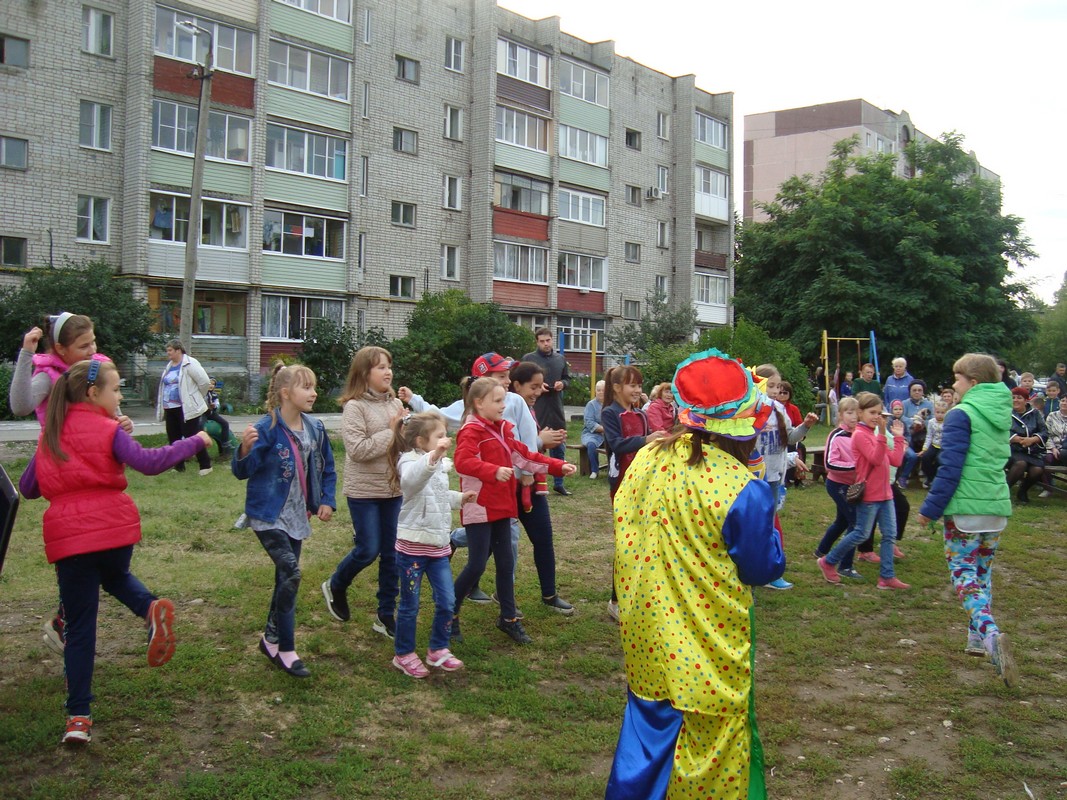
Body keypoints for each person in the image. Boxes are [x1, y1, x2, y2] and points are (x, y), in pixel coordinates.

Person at [606, 348, 784, 800]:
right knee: (712, 737)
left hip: (647, 627)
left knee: (648, 724)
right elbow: (762, 567)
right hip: (708, 639)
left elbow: (626, 520)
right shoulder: (743, 488)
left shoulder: (647, 459)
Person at [18, 359, 211, 744]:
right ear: (93, 393)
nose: (120, 396)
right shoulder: (109, 431)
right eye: (116, 389)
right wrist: (196, 440)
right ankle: (148, 608)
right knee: (116, 576)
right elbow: (149, 463)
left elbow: (27, 487)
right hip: (114, 533)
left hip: (71, 541)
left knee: (80, 630)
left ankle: (78, 717)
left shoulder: (50, 436)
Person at [9, 312, 132, 655]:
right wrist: (26, 354)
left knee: (96, 542)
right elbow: (19, 405)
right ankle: (69, 618)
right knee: (75, 541)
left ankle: (65, 619)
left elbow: (110, 410)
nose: (92, 349)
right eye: (83, 346)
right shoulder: (50, 376)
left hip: (90, 461)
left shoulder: (96, 372)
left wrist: (122, 422)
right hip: (61, 459)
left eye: (93, 341)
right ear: (60, 349)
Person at [399, 353, 561, 606]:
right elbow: (439, 419)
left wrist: (537, 470)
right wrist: (414, 401)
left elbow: (524, 444)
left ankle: (533, 601)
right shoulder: (468, 418)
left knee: (526, 542)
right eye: (501, 377)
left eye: (508, 376)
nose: (507, 382)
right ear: (481, 386)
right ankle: (467, 603)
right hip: (487, 494)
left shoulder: (514, 403)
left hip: (519, 484)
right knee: (491, 549)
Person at [917, 354, 1017, 686]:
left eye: (957, 379)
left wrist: (929, 509)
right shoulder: (1001, 412)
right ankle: (976, 639)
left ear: (973, 382)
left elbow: (950, 467)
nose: (952, 385)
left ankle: (990, 636)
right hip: (995, 508)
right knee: (983, 574)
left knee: (964, 575)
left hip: (965, 511)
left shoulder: (962, 414)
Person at [451, 377, 575, 645]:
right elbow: (462, 462)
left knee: (506, 564)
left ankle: (508, 619)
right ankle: (449, 612)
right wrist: (493, 471)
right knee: (475, 565)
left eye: (504, 400)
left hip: (502, 506)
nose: (503, 406)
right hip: (480, 507)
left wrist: (556, 466)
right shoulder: (471, 431)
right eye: (497, 401)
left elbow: (524, 456)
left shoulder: (503, 429)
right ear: (478, 403)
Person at [233, 364, 336, 679]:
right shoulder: (266, 428)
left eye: (314, 386)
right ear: (285, 393)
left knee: (284, 580)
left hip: (297, 515)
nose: (314, 393)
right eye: (306, 387)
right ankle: (288, 650)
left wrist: (326, 501)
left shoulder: (315, 428)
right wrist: (244, 449)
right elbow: (243, 471)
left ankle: (270, 639)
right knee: (291, 572)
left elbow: (327, 468)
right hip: (268, 516)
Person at [322, 346, 405, 638]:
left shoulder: (395, 404)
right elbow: (358, 451)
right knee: (368, 549)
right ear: (364, 374)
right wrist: (393, 431)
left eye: (389, 366)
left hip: (393, 489)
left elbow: (401, 444)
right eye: (381, 367)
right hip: (364, 492)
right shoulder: (354, 407)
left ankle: (385, 615)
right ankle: (336, 584)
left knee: (392, 554)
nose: (388, 372)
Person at [388, 411, 474, 678]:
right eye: (439, 436)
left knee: (447, 601)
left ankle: (438, 649)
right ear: (420, 441)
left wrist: (460, 498)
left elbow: (436, 495)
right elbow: (413, 481)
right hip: (412, 548)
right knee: (410, 605)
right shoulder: (409, 462)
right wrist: (434, 457)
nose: (445, 439)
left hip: (437, 546)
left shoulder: (437, 465)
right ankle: (403, 654)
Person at [817, 391, 910, 590]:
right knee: (860, 533)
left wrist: (899, 438)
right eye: (872, 412)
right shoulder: (860, 435)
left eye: (879, 413)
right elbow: (875, 459)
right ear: (861, 413)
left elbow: (895, 460)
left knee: (889, 535)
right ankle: (828, 561)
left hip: (886, 493)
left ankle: (886, 576)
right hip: (869, 494)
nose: (877, 417)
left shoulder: (874, 433)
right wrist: (883, 435)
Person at [509, 361, 577, 615]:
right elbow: (512, 447)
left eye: (541, 386)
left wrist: (545, 440)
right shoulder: (506, 407)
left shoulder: (529, 409)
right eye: (533, 386)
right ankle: (474, 591)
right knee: (495, 545)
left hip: (532, 486)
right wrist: (540, 441)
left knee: (543, 540)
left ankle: (549, 594)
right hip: (509, 486)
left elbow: (528, 445)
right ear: (516, 385)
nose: (538, 391)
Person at [602, 365, 666, 620]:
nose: (637, 390)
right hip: (622, 487)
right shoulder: (610, 413)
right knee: (625, 545)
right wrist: (647, 440)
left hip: (644, 483)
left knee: (644, 542)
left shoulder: (640, 414)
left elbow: (646, 446)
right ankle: (616, 600)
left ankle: (637, 595)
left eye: (640, 385)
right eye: (632, 385)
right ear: (617, 388)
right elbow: (616, 444)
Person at [753, 364, 819, 589]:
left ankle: (770, 574)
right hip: (751, 479)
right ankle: (750, 572)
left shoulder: (779, 410)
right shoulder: (747, 411)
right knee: (751, 527)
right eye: (770, 385)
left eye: (778, 386)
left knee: (769, 527)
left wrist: (805, 426)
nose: (774, 390)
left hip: (773, 477)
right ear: (757, 384)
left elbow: (790, 438)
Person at [812, 397, 864, 580]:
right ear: (840, 415)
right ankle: (845, 565)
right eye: (849, 412)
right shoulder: (837, 435)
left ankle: (821, 550)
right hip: (837, 485)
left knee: (842, 521)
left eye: (856, 412)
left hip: (852, 485)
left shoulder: (859, 433)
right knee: (856, 524)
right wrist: (855, 466)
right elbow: (829, 464)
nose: (853, 416)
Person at [522, 328, 571, 495]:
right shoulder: (529, 359)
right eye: (542, 341)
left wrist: (562, 384)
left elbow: (567, 379)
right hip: (537, 408)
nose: (545, 344)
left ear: (552, 340)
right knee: (535, 444)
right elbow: (521, 381)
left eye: (548, 340)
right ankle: (536, 480)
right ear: (537, 342)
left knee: (559, 444)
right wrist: (536, 387)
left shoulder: (560, 359)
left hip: (556, 407)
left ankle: (559, 482)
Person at [155, 338, 213, 476]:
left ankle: (205, 465)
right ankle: (178, 466)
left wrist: (196, 396)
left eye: (170, 350)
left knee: (192, 436)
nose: (168, 353)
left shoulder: (190, 363)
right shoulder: (169, 366)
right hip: (170, 407)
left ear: (178, 350)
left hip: (187, 408)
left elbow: (204, 382)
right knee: (173, 437)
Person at [1005, 386, 1047, 504]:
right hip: (1012, 450)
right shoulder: (1006, 412)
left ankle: (1022, 491)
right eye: (1013, 397)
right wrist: (1016, 439)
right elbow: (1001, 430)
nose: (1016, 400)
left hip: (1032, 451)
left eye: (1019, 398)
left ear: (1026, 400)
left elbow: (1044, 431)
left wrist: (1033, 439)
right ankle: (1003, 492)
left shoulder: (1035, 413)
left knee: (1037, 470)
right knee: (1021, 464)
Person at [1040, 399, 1067, 498]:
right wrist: (1053, 448)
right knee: (1046, 458)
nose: (1064, 403)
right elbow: (1047, 434)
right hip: (1053, 447)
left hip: (1066, 450)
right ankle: (1048, 488)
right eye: (1063, 401)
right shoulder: (1052, 415)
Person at [919, 401, 949, 489]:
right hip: (934, 445)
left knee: (938, 459)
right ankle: (930, 477)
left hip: (944, 446)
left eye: (942, 413)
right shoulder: (931, 422)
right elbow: (929, 436)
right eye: (937, 412)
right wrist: (924, 449)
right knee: (925, 458)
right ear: (934, 412)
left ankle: (934, 479)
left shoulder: (948, 422)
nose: (940, 415)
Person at [581, 380, 606, 479]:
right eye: (598, 390)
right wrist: (604, 429)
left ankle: (614, 469)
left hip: (607, 434)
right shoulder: (591, 405)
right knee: (591, 444)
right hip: (591, 434)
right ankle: (594, 470)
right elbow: (589, 422)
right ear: (595, 391)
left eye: (603, 390)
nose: (600, 392)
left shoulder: (611, 404)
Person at [203, 378, 233, 456]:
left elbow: (217, 404)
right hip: (202, 413)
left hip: (211, 413)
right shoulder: (202, 393)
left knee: (225, 423)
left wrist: (214, 406)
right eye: (210, 383)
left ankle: (225, 444)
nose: (211, 385)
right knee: (200, 426)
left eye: (213, 384)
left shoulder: (214, 394)